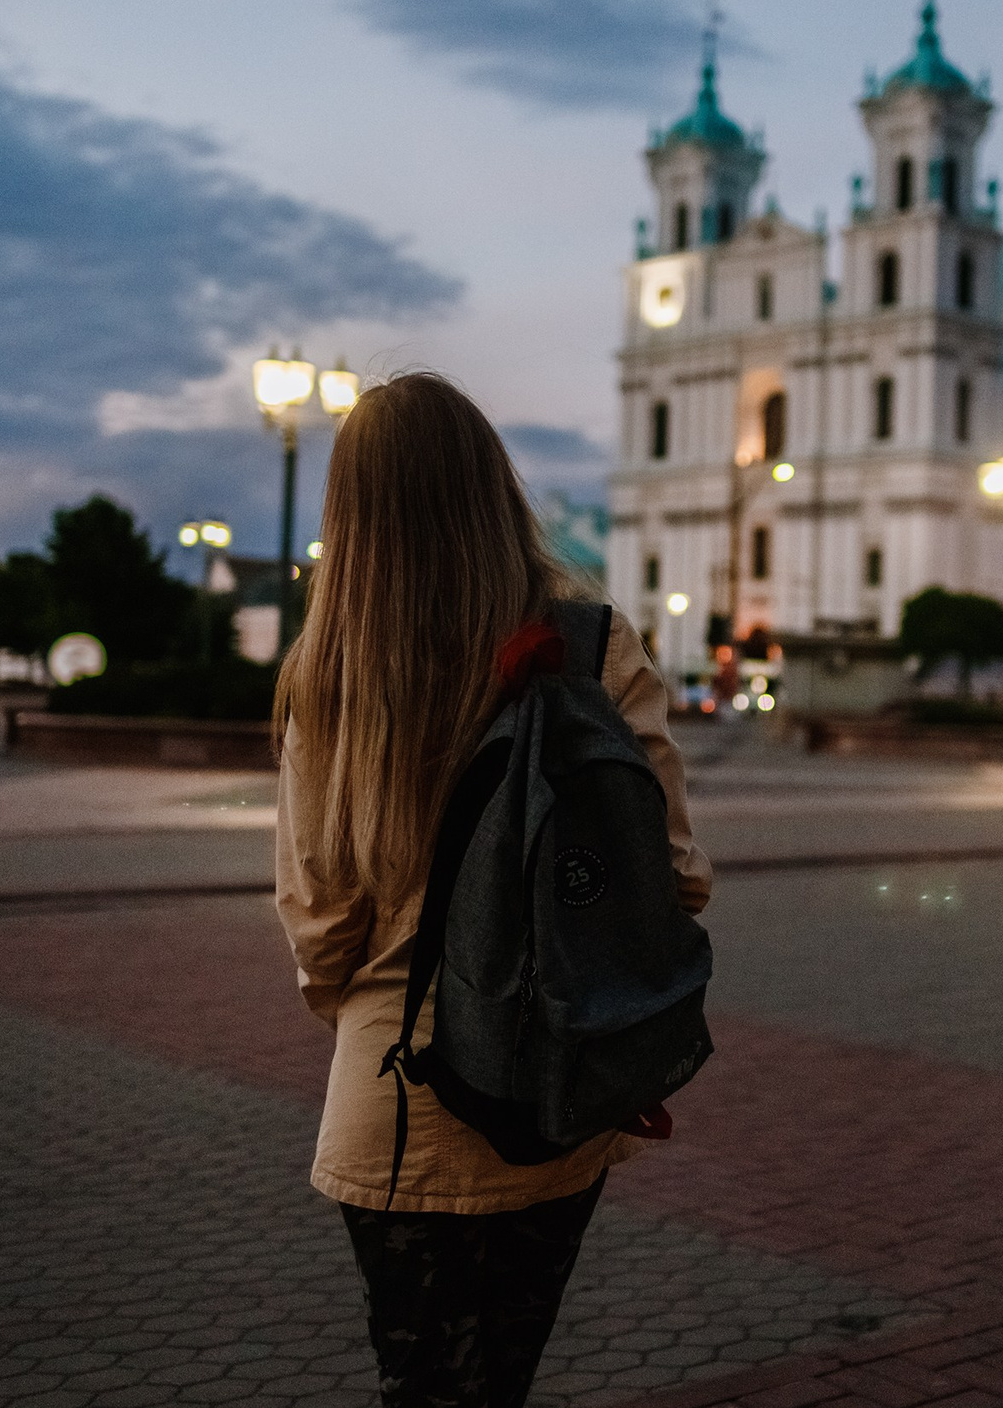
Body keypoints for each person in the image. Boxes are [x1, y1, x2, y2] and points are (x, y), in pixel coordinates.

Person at [273, 373, 711, 1407]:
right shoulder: (595, 646)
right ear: (492, 485)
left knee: (421, 1385)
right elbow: (675, 874)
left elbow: (321, 918)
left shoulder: (326, 670)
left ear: (352, 512)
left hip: (391, 1101)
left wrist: (359, 1002)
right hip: (553, 1089)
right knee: (497, 1384)